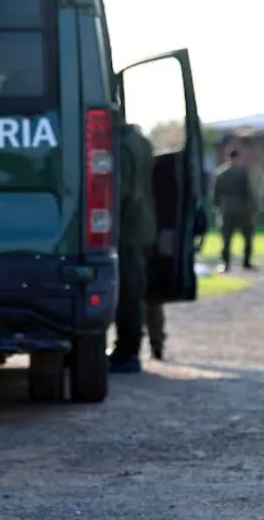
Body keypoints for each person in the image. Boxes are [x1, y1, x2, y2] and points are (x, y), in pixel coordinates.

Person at [108, 122, 157, 373]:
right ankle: (134, 346)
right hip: (141, 225)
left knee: (128, 292)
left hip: (126, 228)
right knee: (134, 291)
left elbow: (119, 189)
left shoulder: (121, 145)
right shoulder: (140, 142)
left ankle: (127, 351)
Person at [212, 148, 256, 271]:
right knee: (247, 237)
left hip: (226, 208)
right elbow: (249, 191)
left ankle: (226, 264)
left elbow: (216, 193)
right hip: (243, 207)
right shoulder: (243, 172)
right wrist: (253, 207)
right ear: (238, 157)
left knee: (226, 238)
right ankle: (246, 262)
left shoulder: (220, 173)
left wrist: (216, 207)